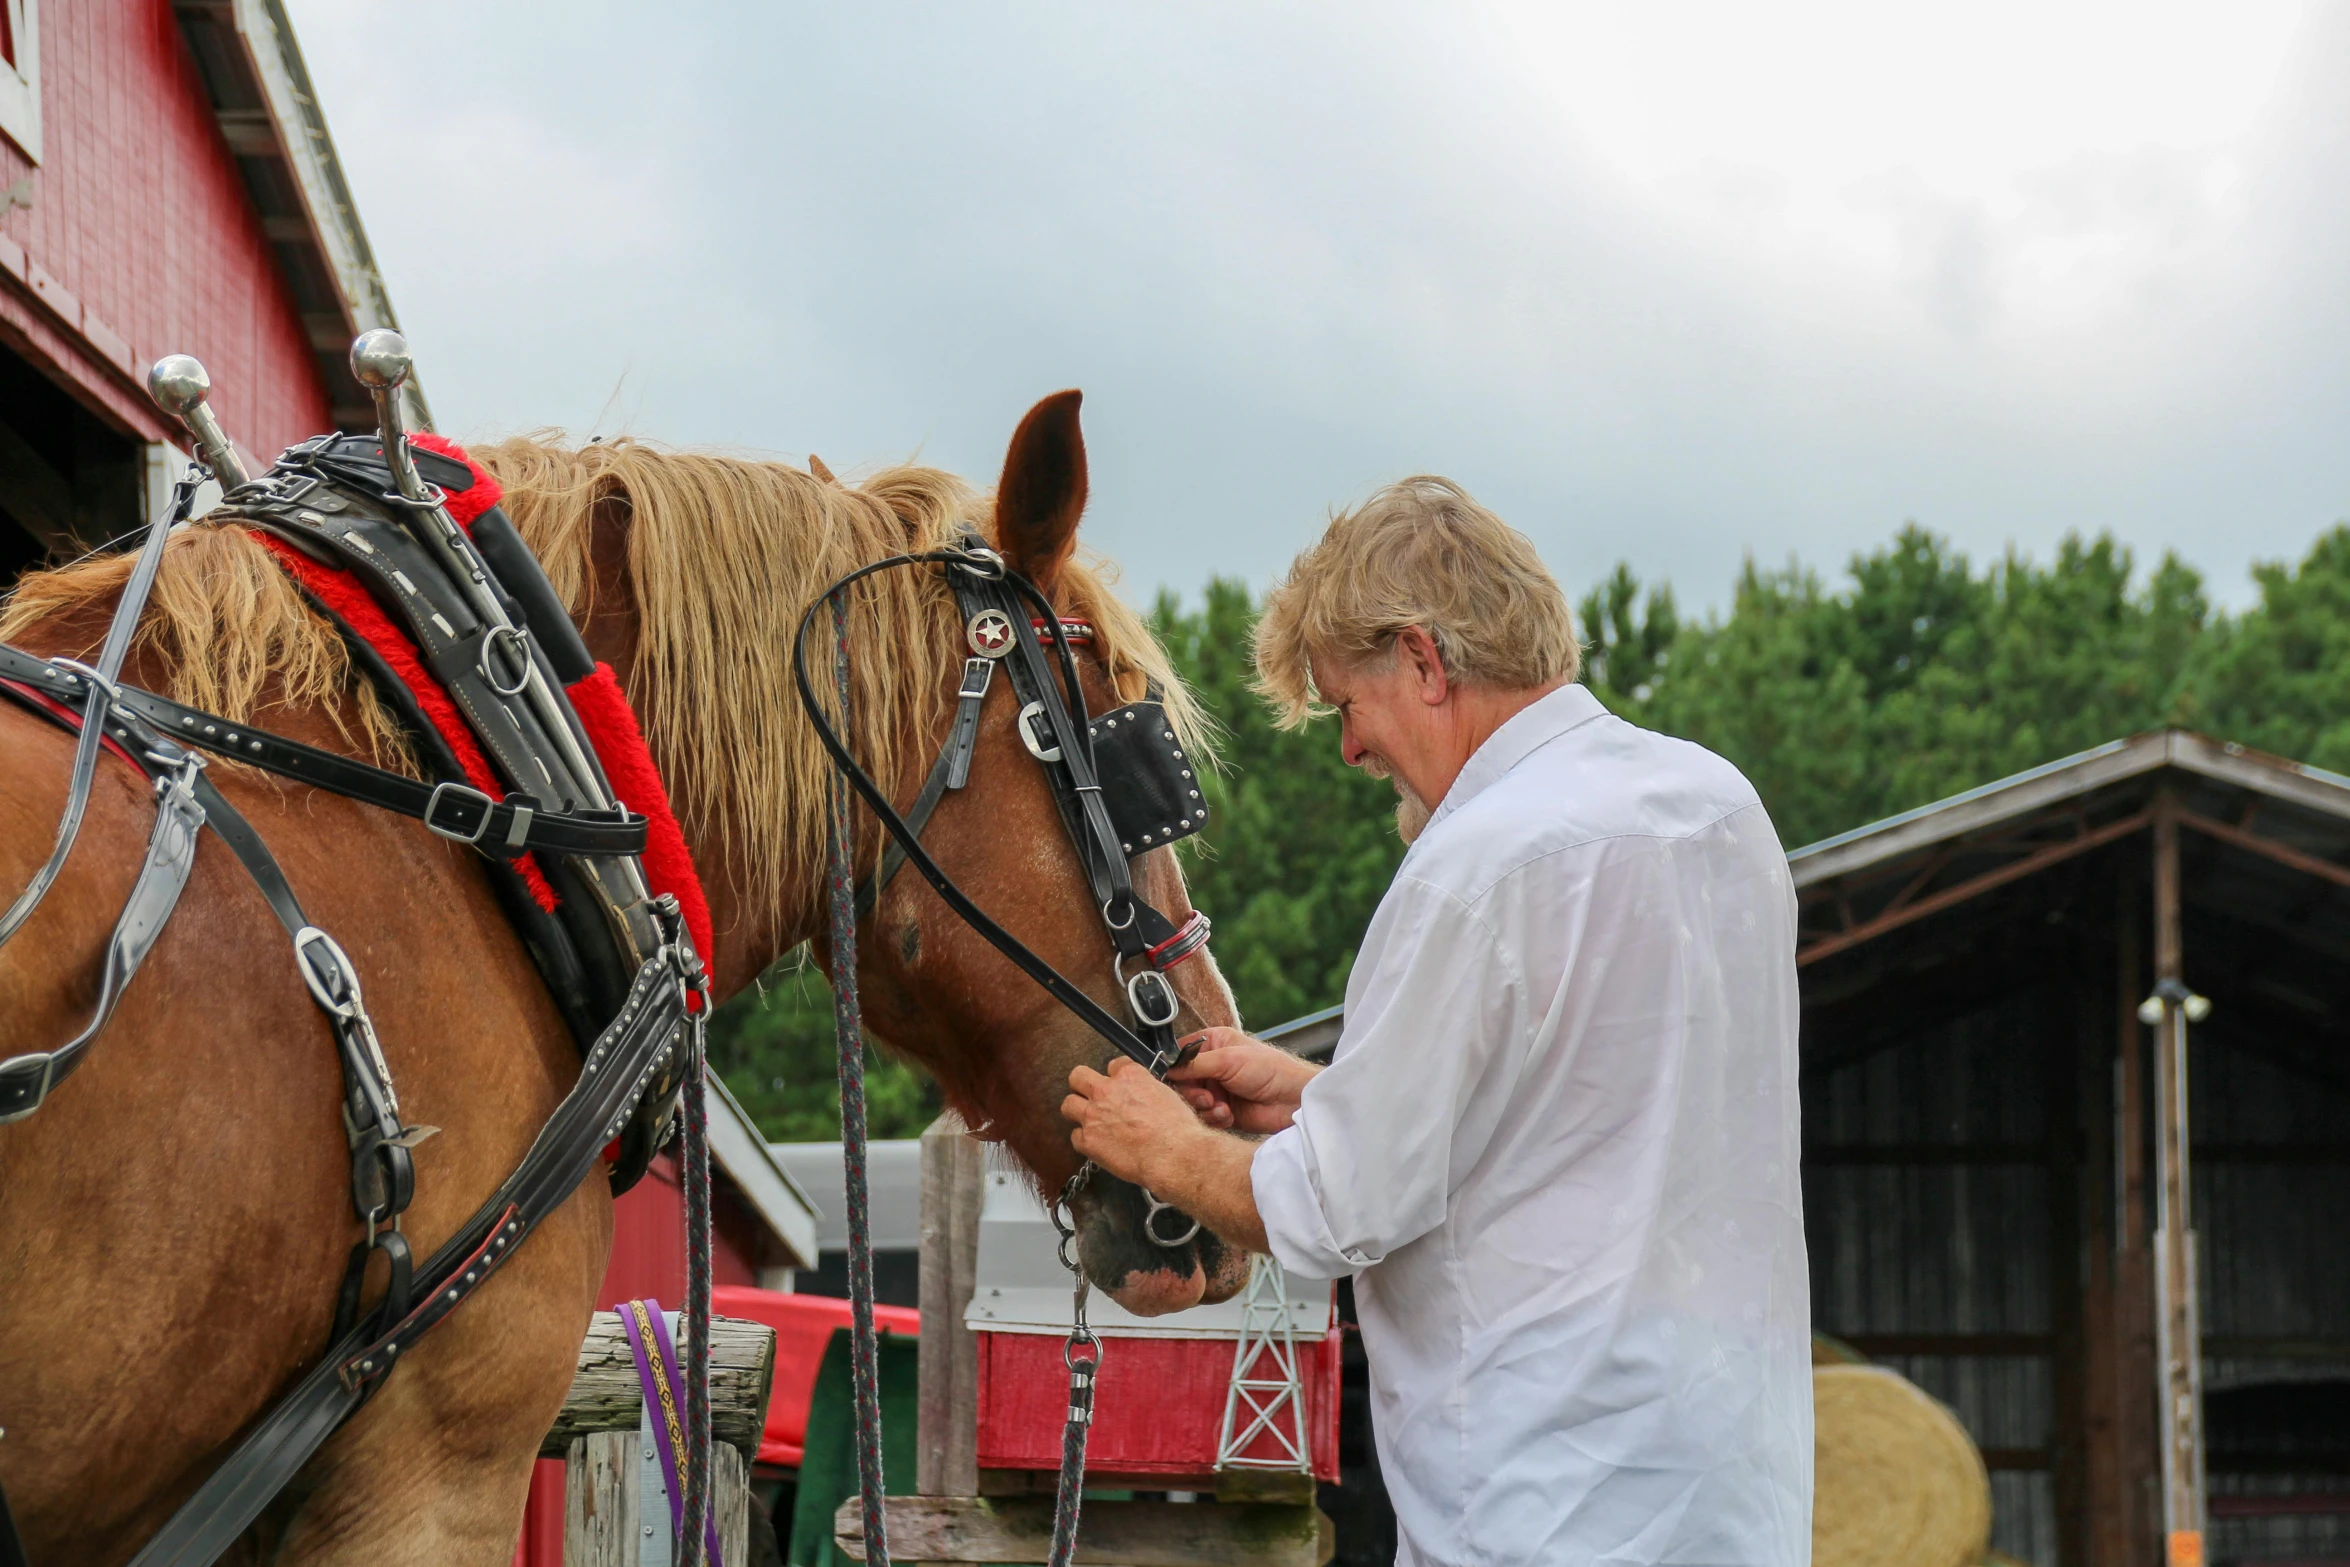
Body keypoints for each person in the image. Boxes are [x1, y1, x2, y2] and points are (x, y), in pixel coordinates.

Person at [1062, 477, 1811, 1566]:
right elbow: (1585, 1115)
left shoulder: (1473, 867)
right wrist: (1321, 1093)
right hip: (1729, 1501)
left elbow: (1336, 1208)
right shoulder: (1716, 809)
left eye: (1344, 705)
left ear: (1422, 660)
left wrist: (1167, 1147)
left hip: (1540, 1509)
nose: (1349, 751)